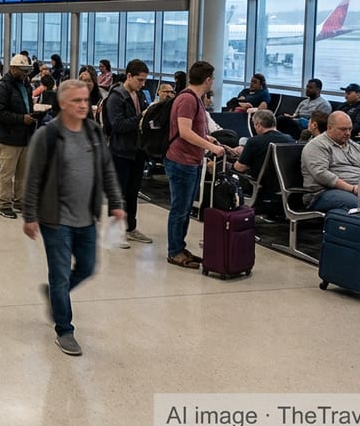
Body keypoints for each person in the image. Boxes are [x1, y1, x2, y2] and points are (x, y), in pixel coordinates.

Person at [21, 80, 126, 357]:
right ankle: (64, 329)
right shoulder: (48, 136)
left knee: (88, 267)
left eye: (86, 100)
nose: (84, 105)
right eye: (77, 101)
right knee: (59, 276)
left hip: (86, 217)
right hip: (55, 219)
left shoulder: (93, 131)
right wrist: (29, 215)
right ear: (63, 104)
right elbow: (32, 179)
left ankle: (56, 297)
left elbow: (106, 170)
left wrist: (116, 203)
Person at [164, 61, 225, 269]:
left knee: (184, 208)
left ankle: (179, 247)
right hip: (181, 161)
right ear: (207, 80)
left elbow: (192, 129)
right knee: (179, 209)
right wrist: (210, 146)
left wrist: (208, 138)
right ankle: (174, 251)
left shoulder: (194, 99)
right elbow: (184, 131)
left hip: (190, 161)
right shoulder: (188, 99)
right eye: (213, 79)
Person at [104, 59, 153, 245]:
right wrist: (141, 118)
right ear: (129, 76)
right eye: (140, 80)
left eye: (144, 80)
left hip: (137, 150)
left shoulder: (139, 95)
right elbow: (118, 125)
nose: (142, 84)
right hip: (120, 151)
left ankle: (130, 227)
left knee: (132, 192)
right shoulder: (116, 97)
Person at [0, 55, 37, 220]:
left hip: (25, 136)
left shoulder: (26, 86)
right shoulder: (3, 88)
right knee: (6, 173)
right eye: (23, 71)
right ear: (13, 69)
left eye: (27, 71)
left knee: (23, 173)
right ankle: (4, 204)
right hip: (8, 137)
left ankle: (19, 200)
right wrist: (21, 119)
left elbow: (27, 105)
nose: (25, 74)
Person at [233, 110, 294, 179]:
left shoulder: (254, 141)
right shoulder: (289, 139)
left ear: (259, 125)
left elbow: (240, 168)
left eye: (254, 124)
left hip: (261, 184)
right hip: (284, 183)